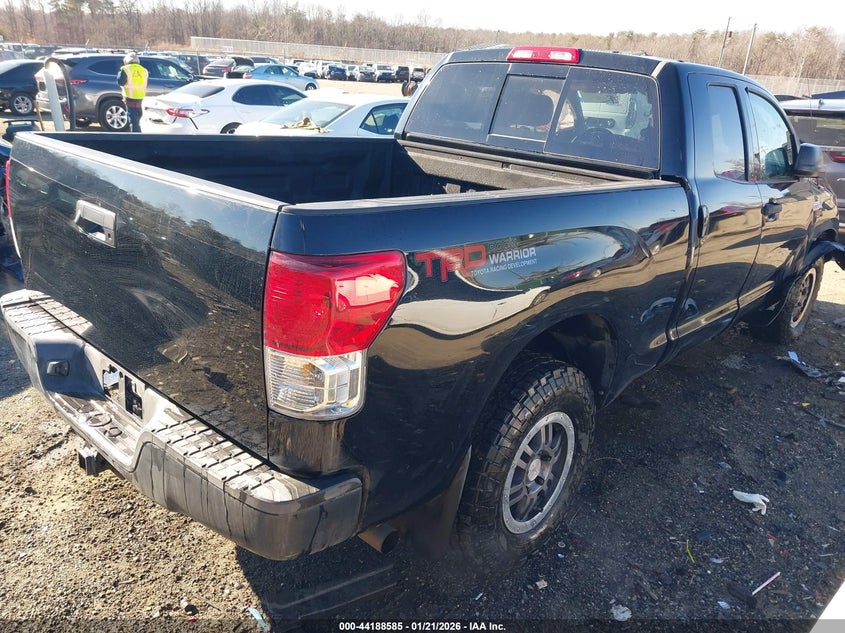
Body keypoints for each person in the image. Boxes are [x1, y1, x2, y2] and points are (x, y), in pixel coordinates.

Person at [117, 52, 148, 132]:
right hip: (141, 98)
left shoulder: (125, 69)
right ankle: (141, 137)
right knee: (140, 120)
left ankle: (135, 138)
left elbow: (120, 82)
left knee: (133, 121)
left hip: (130, 98)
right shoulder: (144, 70)